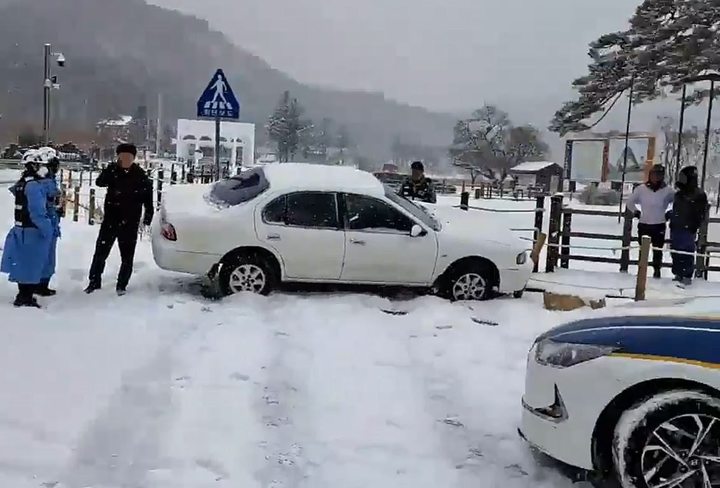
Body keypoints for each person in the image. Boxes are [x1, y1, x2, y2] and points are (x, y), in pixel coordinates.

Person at [85, 143, 154, 295]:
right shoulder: (112, 171)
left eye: (128, 157)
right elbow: (99, 182)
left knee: (127, 257)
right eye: (122, 157)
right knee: (100, 253)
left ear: (134, 158)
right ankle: (94, 281)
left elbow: (148, 201)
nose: (125, 159)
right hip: (111, 220)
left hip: (130, 223)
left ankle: (122, 285)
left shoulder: (141, 176)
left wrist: (148, 218)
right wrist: (109, 169)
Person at [0, 151, 55, 307]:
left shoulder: (23, 182)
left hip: (21, 229)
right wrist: (47, 230)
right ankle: (25, 297)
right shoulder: (33, 186)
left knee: (24, 263)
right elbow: (37, 212)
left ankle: (25, 295)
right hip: (32, 231)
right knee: (31, 265)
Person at [625, 164, 675, 278]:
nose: (656, 177)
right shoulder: (641, 189)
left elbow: (677, 202)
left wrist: (670, 213)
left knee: (657, 251)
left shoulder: (667, 191)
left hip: (659, 224)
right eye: (654, 174)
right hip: (644, 224)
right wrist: (636, 212)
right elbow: (630, 202)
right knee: (643, 251)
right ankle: (641, 272)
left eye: (659, 175)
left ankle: (657, 271)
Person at [669, 165, 708, 286]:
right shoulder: (679, 194)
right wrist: (671, 217)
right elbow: (676, 209)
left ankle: (686, 275)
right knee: (675, 251)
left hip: (688, 228)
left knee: (686, 251)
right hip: (676, 227)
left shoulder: (698, 195)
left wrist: (693, 225)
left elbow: (701, 212)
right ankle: (678, 273)